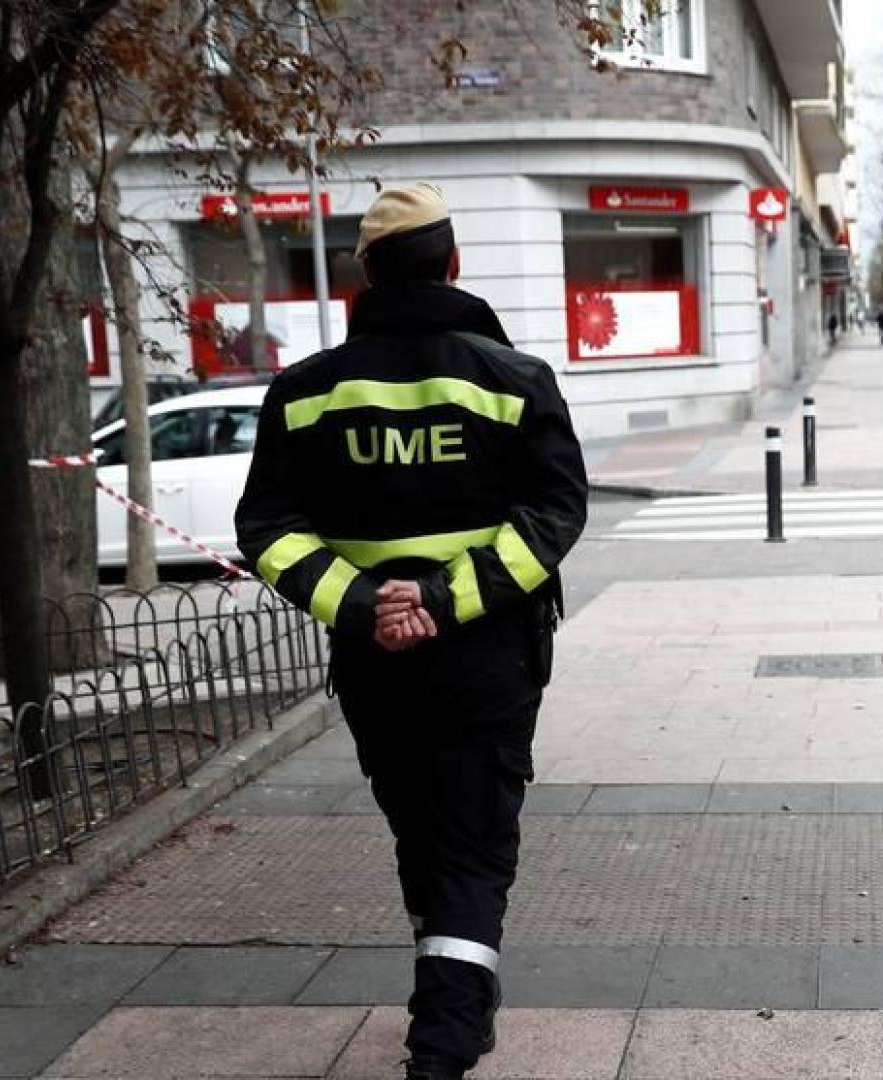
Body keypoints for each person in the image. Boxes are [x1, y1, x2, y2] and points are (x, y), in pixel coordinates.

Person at [236, 182, 586, 1080]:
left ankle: (449, 994)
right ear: (455, 263)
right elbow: (554, 513)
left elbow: (268, 532)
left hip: (374, 664)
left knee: (422, 832)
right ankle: (445, 1039)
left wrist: (363, 604)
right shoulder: (515, 382)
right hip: (489, 655)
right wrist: (444, 597)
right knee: (473, 841)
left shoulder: (305, 392)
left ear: (365, 273)